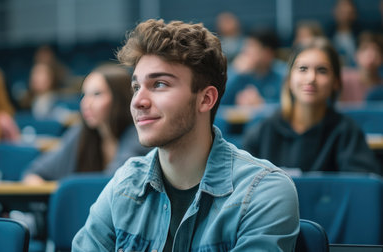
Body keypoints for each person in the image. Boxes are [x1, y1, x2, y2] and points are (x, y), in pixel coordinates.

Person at [72, 19, 299, 251]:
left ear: (206, 99)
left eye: (159, 84)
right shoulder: (124, 185)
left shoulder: (264, 192)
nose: (138, 101)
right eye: (136, 87)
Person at [242, 38, 381, 175]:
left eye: (322, 70)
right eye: (302, 69)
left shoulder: (347, 132)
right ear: (289, 79)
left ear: (336, 82)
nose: (311, 78)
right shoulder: (263, 131)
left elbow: (362, 190)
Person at [22, 64, 150, 184]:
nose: (86, 103)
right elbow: (35, 172)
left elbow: (112, 187)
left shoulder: (137, 135)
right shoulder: (80, 133)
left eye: (97, 94)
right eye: (84, 94)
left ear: (119, 99)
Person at [221, 28, 287, 106]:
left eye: (251, 46)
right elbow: (219, 103)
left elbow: (290, 107)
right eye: (245, 46)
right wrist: (235, 71)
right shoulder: (239, 74)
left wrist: (262, 104)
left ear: (267, 53)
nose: (245, 51)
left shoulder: (283, 74)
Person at [340, 31, 383, 103]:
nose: (371, 55)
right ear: (356, 55)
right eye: (364, 49)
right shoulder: (343, 78)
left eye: (376, 50)